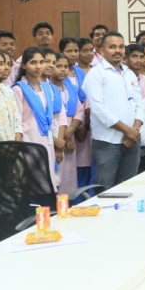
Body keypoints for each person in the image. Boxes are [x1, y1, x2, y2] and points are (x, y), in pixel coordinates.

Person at [84, 31, 143, 188]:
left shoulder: (130, 74)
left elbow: (139, 105)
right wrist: (127, 130)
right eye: (112, 47)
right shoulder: (95, 74)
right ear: (102, 50)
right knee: (105, 189)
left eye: (121, 47)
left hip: (132, 141)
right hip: (107, 142)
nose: (118, 50)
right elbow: (98, 109)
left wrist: (135, 130)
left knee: (129, 187)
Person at [11, 47, 64, 190]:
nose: (39, 66)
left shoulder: (47, 88)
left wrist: (56, 142)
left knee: (48, 182)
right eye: (33, 62)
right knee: (33, 183)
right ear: (24, 65)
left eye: (41, 62)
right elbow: (16, 121)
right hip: (29, 141)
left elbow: (51, 119)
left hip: (47, 141)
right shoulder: (18, 89)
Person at [49, 52, 81, 197]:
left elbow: (79, 111)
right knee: (55, 175)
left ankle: (67, 205)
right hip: (55, 136)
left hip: (70, 134)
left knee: (69, 177)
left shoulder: (71, 88)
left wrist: (71, 130)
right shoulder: (47, 88)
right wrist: (64, 138)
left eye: (66, 66)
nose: (63, 69)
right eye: (58, 66)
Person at [71, 37, 96, 188]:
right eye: (84, 50)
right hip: (76, 123)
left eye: (91, 50)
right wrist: (81, 125)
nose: (89, 53)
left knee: (91, 163)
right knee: (79, 165)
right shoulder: (71, 73)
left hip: (92, 123)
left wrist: (87, 125)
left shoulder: (97, 71)